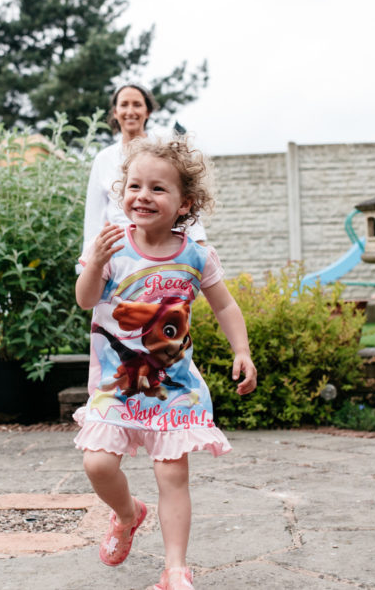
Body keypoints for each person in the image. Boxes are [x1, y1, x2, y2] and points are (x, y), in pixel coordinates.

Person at [74, 136, 257, 590]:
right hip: (119, 383)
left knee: (172, 473)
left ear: (184, 203)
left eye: (158, 189)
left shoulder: (196, 254)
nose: (143, 196)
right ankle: (128, 514)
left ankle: (175, 568)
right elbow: (85, 300)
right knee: (97, 465)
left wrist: (242, 351)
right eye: (134, 186)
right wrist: (93, 264)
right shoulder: (111, 248)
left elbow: (225, 306)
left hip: (173, 387)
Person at [83, 84, 207, 251]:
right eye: (124, 105)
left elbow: (185, 196)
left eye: (137, 104)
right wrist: (89, 263)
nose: (130, 111)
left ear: (148, 112)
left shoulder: (166, 155)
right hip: (119, 252)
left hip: (164, 248)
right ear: (115, 112)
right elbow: (94, 218)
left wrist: (199, 246)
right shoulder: (103, 159)